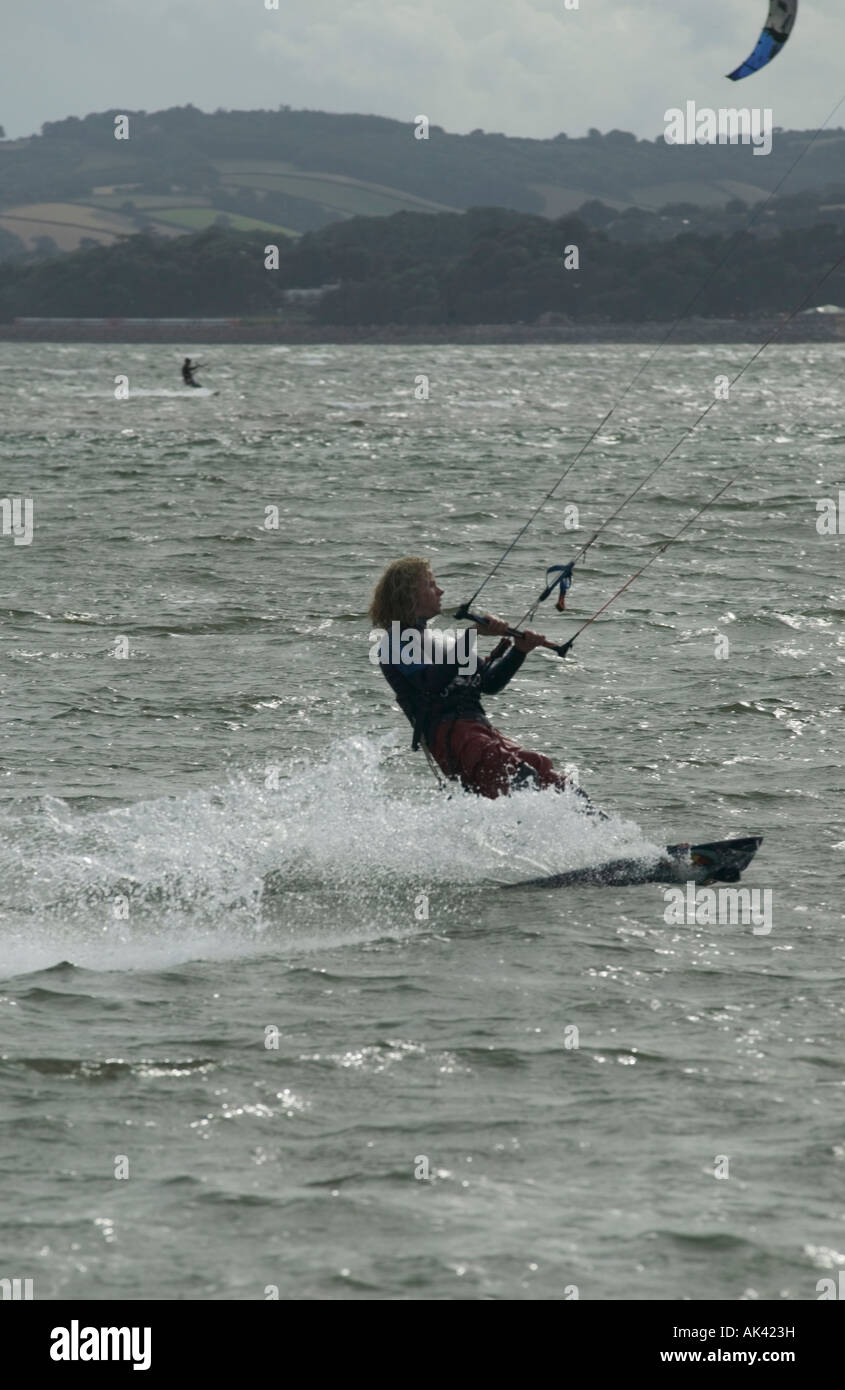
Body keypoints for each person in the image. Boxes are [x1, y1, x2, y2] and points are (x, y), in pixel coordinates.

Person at [370, 555, 603, 810]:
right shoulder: (394, 642)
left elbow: (489, 683)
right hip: (452, 736)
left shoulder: (443, 641)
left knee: (555, 781)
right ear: (409, 595)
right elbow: (430, 683)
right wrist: (472, 634)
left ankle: (609, 842)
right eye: (430, 585)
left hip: (482, 732)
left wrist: (519, 651)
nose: (440, 590)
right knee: (520, 778)